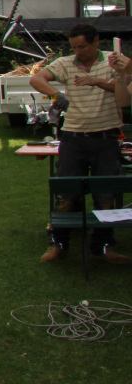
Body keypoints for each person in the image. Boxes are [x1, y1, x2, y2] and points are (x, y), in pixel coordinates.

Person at [29, 24, 130, 264]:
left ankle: (103, 247)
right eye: (74, 47)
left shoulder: (115, 62)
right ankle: (59, 244)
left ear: (96, 42)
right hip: (73, 137)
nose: (78, 51)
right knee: (66, 193)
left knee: (106, 195)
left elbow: (124, 94)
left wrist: (98, 81)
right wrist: (56, 95)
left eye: (82, 46)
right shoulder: (66, 63)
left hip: (106, 138)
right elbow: (37, 78)